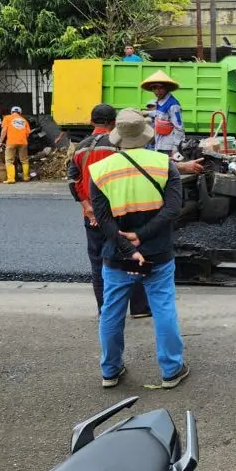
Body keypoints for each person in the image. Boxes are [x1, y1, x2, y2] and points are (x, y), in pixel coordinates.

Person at [89, 108, 189, 389]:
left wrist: (125, 244)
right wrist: (141, 236)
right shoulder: (163, 164)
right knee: (164, 308)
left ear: (117, 136)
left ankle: (110, 370)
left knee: (111, 311)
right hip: (157, 253)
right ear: (146, 136)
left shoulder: (100, 171)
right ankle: (171, 370)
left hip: (117, 256)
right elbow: (172, 210)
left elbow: (103, 219)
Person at [67, 103, 151, 320]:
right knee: (133, 256)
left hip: (93, 215)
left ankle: (105, 310)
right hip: (121, 212)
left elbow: (72, 179)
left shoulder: (81, 147)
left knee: (97, 262)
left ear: (91, 121)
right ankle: (140, 307)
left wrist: (86, 207)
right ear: (114, 123)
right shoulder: (120, 145)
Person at [140, 71, 184, 156]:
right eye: (154, 88)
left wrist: (175, 147)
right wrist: (147, 113)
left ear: (167, 88)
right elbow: (160, 114)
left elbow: (179, 127)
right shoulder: (160, 102)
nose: (157, 91)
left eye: (160, 88)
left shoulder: (173, 105)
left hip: (168, 147)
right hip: (159, 143)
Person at [0, 106, 31, 184]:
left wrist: (1, 142)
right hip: (23, 142)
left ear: (11, 112)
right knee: (24, 160)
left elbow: (4, 130)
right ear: (20, 113)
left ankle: (11, 179)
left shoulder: (7, 118)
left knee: (9, 161)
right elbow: (28, 133)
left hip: (11, 142)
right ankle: (26, 177)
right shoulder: (24, 120)